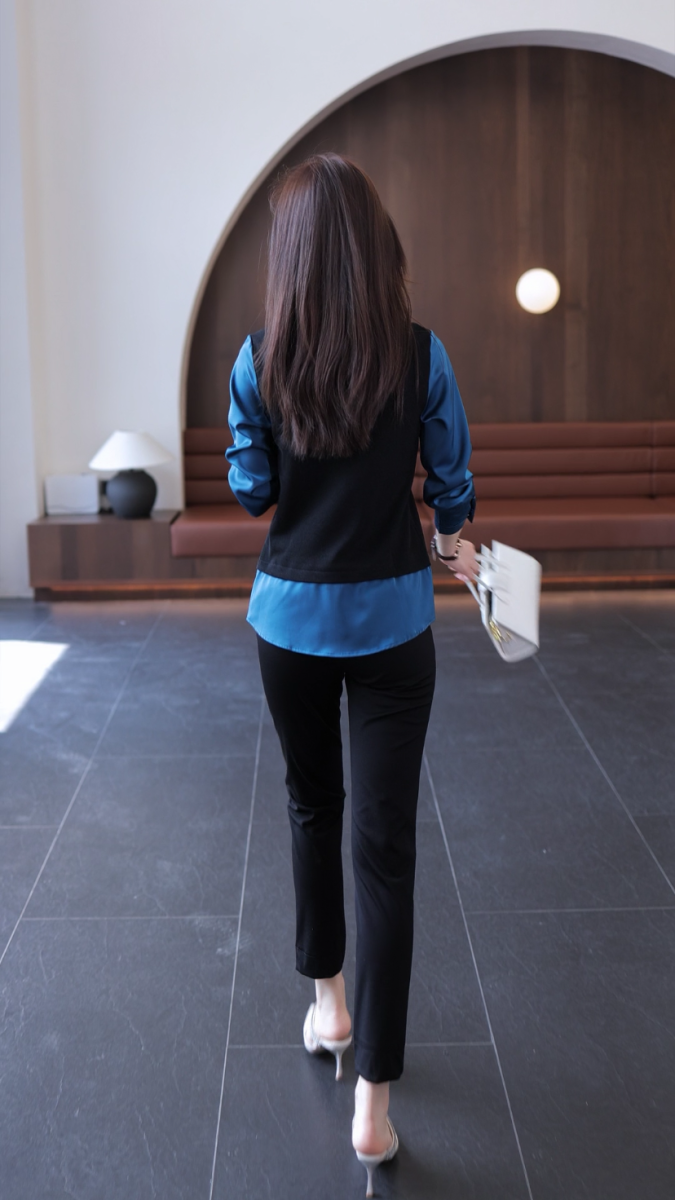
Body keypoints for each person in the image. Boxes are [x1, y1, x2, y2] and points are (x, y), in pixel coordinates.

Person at [226, 152, 478, 1197]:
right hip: (392, 627)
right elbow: (453, 480)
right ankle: (374, 1104)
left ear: (289, 255)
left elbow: (252, 491)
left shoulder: (259, 360)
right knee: (386, 851)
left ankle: (328, 1005)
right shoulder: (420, 355)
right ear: (379, 246)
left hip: (288, 621)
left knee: (310, 807)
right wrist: (450, 535)